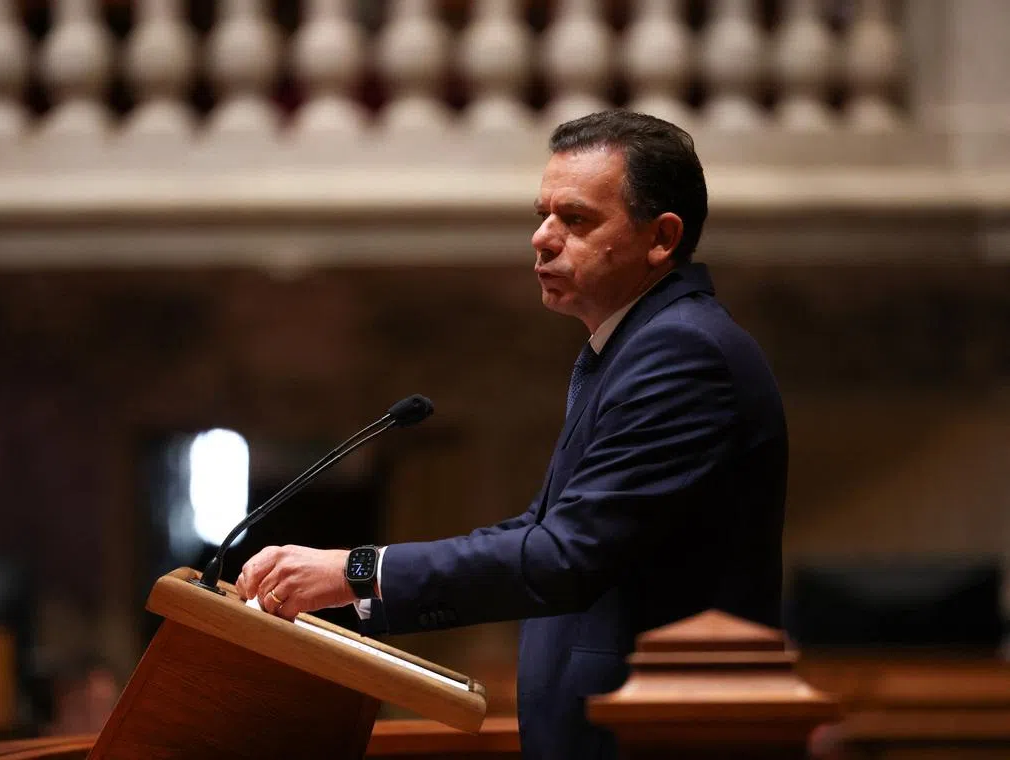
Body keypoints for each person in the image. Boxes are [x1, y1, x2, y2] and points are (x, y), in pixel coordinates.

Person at [234, 110, 788, 759]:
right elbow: (541, 530)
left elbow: (563, 557)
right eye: (542, 213)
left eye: (575, 219)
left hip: (656, 740)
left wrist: (357, 572)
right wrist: (352, 581)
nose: (542, 237)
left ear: (662, 238)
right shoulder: (633, 348)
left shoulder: (682, 355)